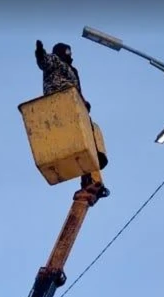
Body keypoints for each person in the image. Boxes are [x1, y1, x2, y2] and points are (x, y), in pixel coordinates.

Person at [35, 39, 109, 194]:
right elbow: (45, 62)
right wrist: (40, 53)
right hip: (60, 100)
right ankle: (93, 162)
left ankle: (92, 165)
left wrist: (84, 102)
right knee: (83, 130)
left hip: (73, 103)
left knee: (90, 129)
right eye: (68, 52)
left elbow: (77, 89)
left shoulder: (72, 70)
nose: (70, 55)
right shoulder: (55, 60)